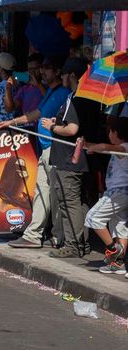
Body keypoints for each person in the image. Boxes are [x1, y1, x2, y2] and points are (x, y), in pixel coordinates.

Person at [0, 57, 73, 248]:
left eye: (47, 68)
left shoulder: (63, 93)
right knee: (41, 191)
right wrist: (12, 122)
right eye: (42, 68)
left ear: (57, 72)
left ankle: (56, 236)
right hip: (46, 148)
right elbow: (37, 113)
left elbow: (44, 115)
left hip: (55, 148)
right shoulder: (51, 91)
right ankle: (34, 235)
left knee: (54, 195)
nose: (42, 72)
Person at [43, 58, 98, 258]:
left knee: (69, 202)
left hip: (69, 159)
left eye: (64, 74)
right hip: (80, 159)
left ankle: (73, 246)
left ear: (72, 76)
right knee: (79, 201)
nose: (62, 78)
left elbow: (72, 129)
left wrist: (52, 127)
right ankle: (81, 244)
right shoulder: (88, 98)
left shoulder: (75, 98)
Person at [85, 116, 128, 275]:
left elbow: (103, 146)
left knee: (93, 217)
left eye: (109, 131)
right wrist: (87, 145)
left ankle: (113, 249)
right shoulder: (119, 147)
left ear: (115, 133)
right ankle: (118, 264)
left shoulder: (124, 147)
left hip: (118, 192)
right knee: (119, 226)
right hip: (120, 193)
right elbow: (102, 147)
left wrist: (95, 147)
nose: (108, 134)